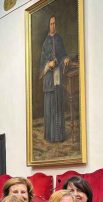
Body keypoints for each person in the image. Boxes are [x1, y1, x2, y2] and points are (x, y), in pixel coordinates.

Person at [40, 15, 70, 143]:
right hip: (48, 79)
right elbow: (42, 62)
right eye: (51, 24)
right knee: (50, 106)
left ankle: (59, 136)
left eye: (54, 23)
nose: (53, 26)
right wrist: (48, 64)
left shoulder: (59, 39)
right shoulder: (45, 42)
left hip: (58, 77)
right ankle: (50, 136)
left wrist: (65, 58)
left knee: (58, 105)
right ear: (49, 25)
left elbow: (63, 54)